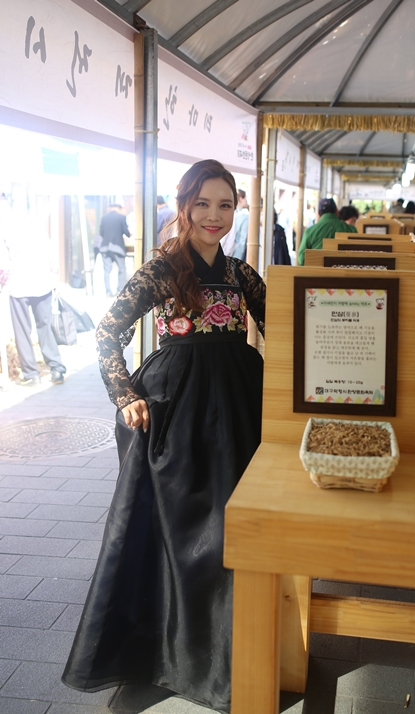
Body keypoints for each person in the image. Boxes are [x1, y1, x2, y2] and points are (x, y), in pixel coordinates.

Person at [62, 160, 265, 714]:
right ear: (184, 206)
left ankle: (230, 653)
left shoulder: (243, 274)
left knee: (235, 529)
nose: (214, 216)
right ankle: (167, 654)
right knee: (176, 533)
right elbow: (108, 332)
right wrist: (125, 395)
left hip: (241, 403)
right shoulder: (160, 270)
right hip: (175, 409)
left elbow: (288, 327)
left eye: (225, 205)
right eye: (203, 204)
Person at [4, 215, 66, 386]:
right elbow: (53, 259)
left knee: (23, 331)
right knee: (44, 327)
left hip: (19, 287)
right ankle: (57, 369)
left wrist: (3, 282)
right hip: (42, 285)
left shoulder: (9, 235)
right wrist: (55, 280)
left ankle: (31, 374)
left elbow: (4, 265)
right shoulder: (41, 234)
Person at [297, 198, 357, 265]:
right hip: (343, 273)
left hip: (317, 273)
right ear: (336, 211)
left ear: (318, 214)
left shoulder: (309, 231)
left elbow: (302, 259)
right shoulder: (351, 230)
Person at [98, 204, 130, 297]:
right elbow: (126, 232)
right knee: (122, 269)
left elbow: (101, 232)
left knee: (107, 270)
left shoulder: (104, 217)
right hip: (118, 247)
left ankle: (108, 291)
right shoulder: (121, 217)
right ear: (119, 209)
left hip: (105, 247)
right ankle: (120, 291)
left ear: (110, 208)